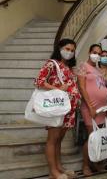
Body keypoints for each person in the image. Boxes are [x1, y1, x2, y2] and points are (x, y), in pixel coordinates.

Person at [34, 39, 80, 179]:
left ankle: (59, 167)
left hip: (68, 109)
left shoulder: (68, 67)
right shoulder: (52, 64)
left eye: (72, 50)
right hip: (56, 108)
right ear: (59, 48)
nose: (70, 52)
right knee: (52, 140)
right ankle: (53, 171)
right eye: (67, 49)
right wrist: (58, 89)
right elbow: (39, 81)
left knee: (59, 140)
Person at [77, 44, 107, 176]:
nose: (96, 55)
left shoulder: (97, 69)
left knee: (99, 136)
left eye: (99, 53)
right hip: (90, 107)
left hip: (102, 109)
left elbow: (102, 87)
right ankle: (85, 165)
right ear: (89, 52)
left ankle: (96, 163)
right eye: (94, 52)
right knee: (92, 136)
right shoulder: (83, 66)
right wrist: (90, 106)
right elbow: (82, 87)